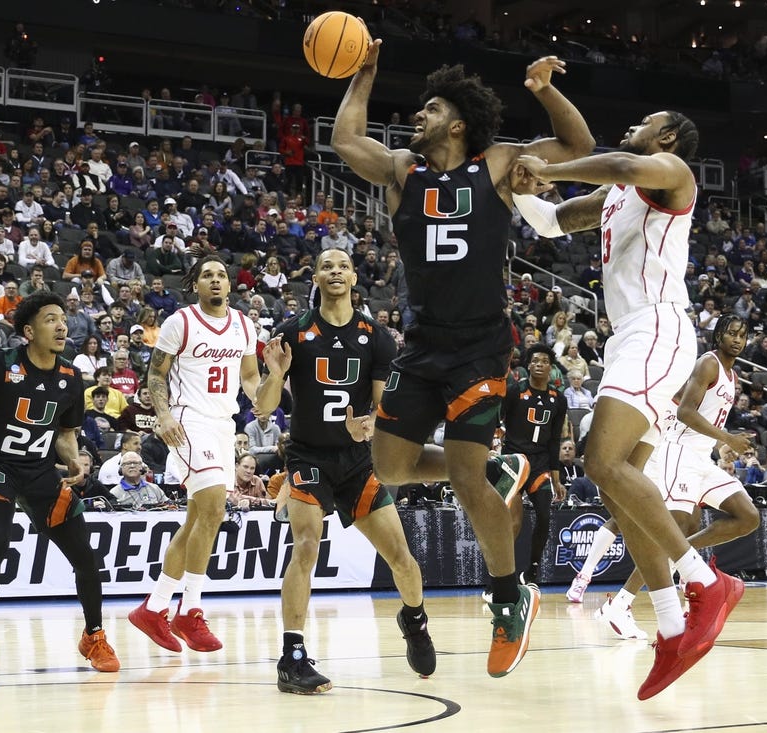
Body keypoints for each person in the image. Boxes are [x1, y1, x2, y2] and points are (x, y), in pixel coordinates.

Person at [331, 41, 596, 678]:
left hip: (479, 346)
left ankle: (511, 599)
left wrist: (543, 90)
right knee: (390, 469)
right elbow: (345, 139)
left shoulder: (500, 162)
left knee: (468, 480)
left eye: (429, 109)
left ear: (456, 123)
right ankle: (492, 467)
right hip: (422, 345)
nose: (415, 118)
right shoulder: (401, 169)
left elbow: (580, 147)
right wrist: (362, 76)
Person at [512, 109, 743, 699]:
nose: (633, 125)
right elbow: (554, 221)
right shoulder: (618, 196)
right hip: (631, 337)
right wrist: (512, 187)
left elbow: (618, 162)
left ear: (664, 137)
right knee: (617, 485)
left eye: (644, 121)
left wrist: (549, 163)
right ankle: (670, 627)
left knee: (599, 461)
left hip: (658, 328)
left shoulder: (670, 170)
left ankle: (705, 581)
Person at [260, 248, 435, 693]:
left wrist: (372, 423)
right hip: (308, 457)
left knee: (402, 558)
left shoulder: (377, 337)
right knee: (305, 547)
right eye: (326, 265)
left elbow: (381, 405)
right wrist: (276, 375)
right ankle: (292, 658)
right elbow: (263, 407)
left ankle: (414, 620)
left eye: (342, 265)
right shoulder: (292, 333)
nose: (334, 271)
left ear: (355, 277)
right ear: (314, 276)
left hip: (359, 463)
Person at [0, 290, 121, 684]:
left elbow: (65, 434)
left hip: (39, 472)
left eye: (63, 318)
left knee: (86, 556)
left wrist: (71, 459)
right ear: (29, 331)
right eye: (51, 319)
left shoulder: (71, 377)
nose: (62, 325)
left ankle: (94, 635)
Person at [127, 255, 277, 655]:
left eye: (221, 276)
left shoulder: (245, 325)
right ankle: (189, 609)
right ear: (197, 284)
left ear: (230, 286)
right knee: (213, 508)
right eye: (207, 275)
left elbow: (248, 376)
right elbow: (156, 374)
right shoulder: (181, 322)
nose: (215, 280)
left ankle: (154, 607)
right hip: (187, 420)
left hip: (222, 424)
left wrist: (264, 391)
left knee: (197, 518)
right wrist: (162, 415)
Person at [585, 316, 759, 643]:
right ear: (719, 334)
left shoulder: (732, 374)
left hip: (702, 458)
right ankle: (619, 605)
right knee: (672, 530)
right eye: (732, 333)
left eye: (742, 335)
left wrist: (723, 444)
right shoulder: (708, 364)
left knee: (747, 516)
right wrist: (728, 438)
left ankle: (684, 553)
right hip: (678, 452)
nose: (737, 339)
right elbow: (685, 413)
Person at [490, 344, 568, 588]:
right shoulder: (515, 391)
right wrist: (494, 442)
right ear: (527, 364)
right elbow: (497, 419)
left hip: (541, 464)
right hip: (514, 461)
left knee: (544, 516)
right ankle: (499, 578)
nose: (539, 364)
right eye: (535, 360)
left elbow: (555, 439)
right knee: (512, 523)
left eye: (544, 361)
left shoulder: (559, 399)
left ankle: (532, 571)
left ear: (551, 367)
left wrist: (556, 479)